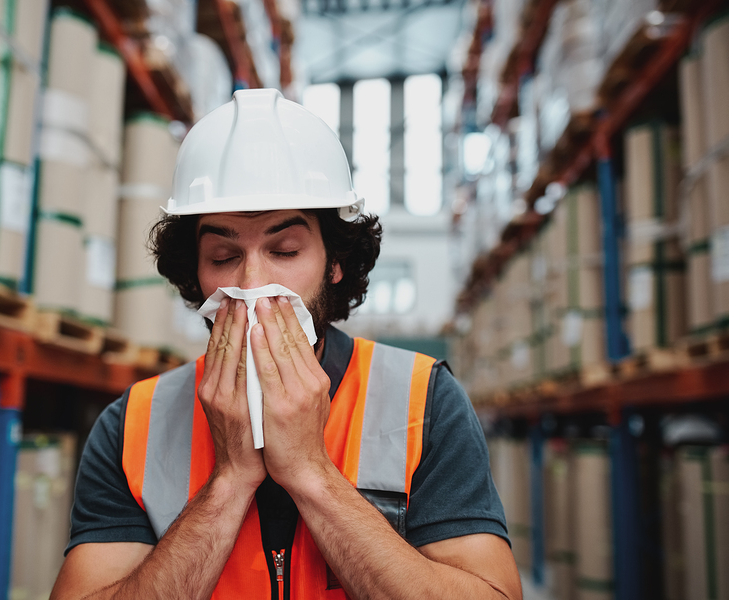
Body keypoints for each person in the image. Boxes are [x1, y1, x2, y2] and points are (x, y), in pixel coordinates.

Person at [51, 88, 521, 599]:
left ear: (335, 263)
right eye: (223, 255)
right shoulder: (133, 425)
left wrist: (310, 472)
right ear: (196, 273)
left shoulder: (423, 402)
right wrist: (229, 481)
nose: (252, 284)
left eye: (285, 249)